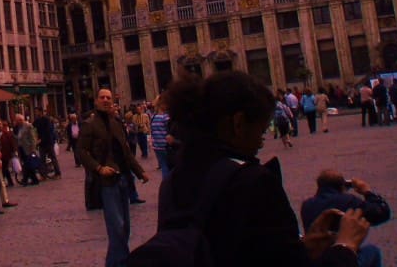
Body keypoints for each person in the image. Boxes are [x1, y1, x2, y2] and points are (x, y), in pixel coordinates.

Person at [154, 71, 370, 267]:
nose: (260, 142)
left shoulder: (172, 182)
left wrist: (302, 248)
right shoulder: (254, 183)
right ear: (238, 123)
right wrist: (345, 246)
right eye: (260, 130)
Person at [76, 89, 149, 267]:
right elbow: (81, 151)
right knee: (116, 226)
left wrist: (140, 172)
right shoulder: (90, 124)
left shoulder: (116, 123)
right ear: (96, 101)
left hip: (123, 178)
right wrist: (99, 168)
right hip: (107, 182)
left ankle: (114, 262)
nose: (106, 100)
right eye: (102, 97)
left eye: (108, 97)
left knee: (125, 227)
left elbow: (126, 151)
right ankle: (121, 262)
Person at [301, 171, 390, 267]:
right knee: (373, 251)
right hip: (342, 257)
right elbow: (382, 213)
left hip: (315, 257)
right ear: (342, 186)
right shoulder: (348, 201)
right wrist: (367, 192)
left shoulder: (307, 205)